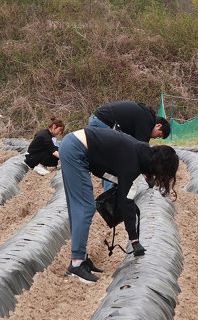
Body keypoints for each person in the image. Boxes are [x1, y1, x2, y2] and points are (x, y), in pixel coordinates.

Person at [58, 126, 178, 284]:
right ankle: (77, 263)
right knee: (84, 208)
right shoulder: (133, 162)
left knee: (81, 207)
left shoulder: (139, 151)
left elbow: (119, 183)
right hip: (75, 149)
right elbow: (126, 200)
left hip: (75, 145)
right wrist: (134, 240)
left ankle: (81, 258)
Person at [88, 101, 171, 142]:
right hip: (102, 122)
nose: (155, 137)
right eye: (158, 135)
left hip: (97, 119)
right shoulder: (147, 121)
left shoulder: (145, 116)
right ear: (158, 126)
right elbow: (141, 149)